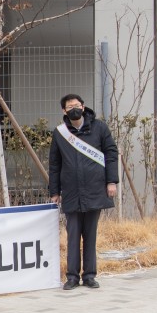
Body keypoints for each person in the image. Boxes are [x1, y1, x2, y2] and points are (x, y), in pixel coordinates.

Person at [48, 94, 119, 291]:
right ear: (64, 111)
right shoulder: (60, 133)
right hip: (71, 191)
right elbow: (54, 164)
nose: (74, 109)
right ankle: (71, 276)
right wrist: (55, 191)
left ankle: (89, 275)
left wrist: (111, 181)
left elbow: (111, 154)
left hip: (95, 189)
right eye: (69, 107)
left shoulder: (99, 128)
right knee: (72, 235)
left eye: (76, 105)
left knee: (90, 234)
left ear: (83, 106)